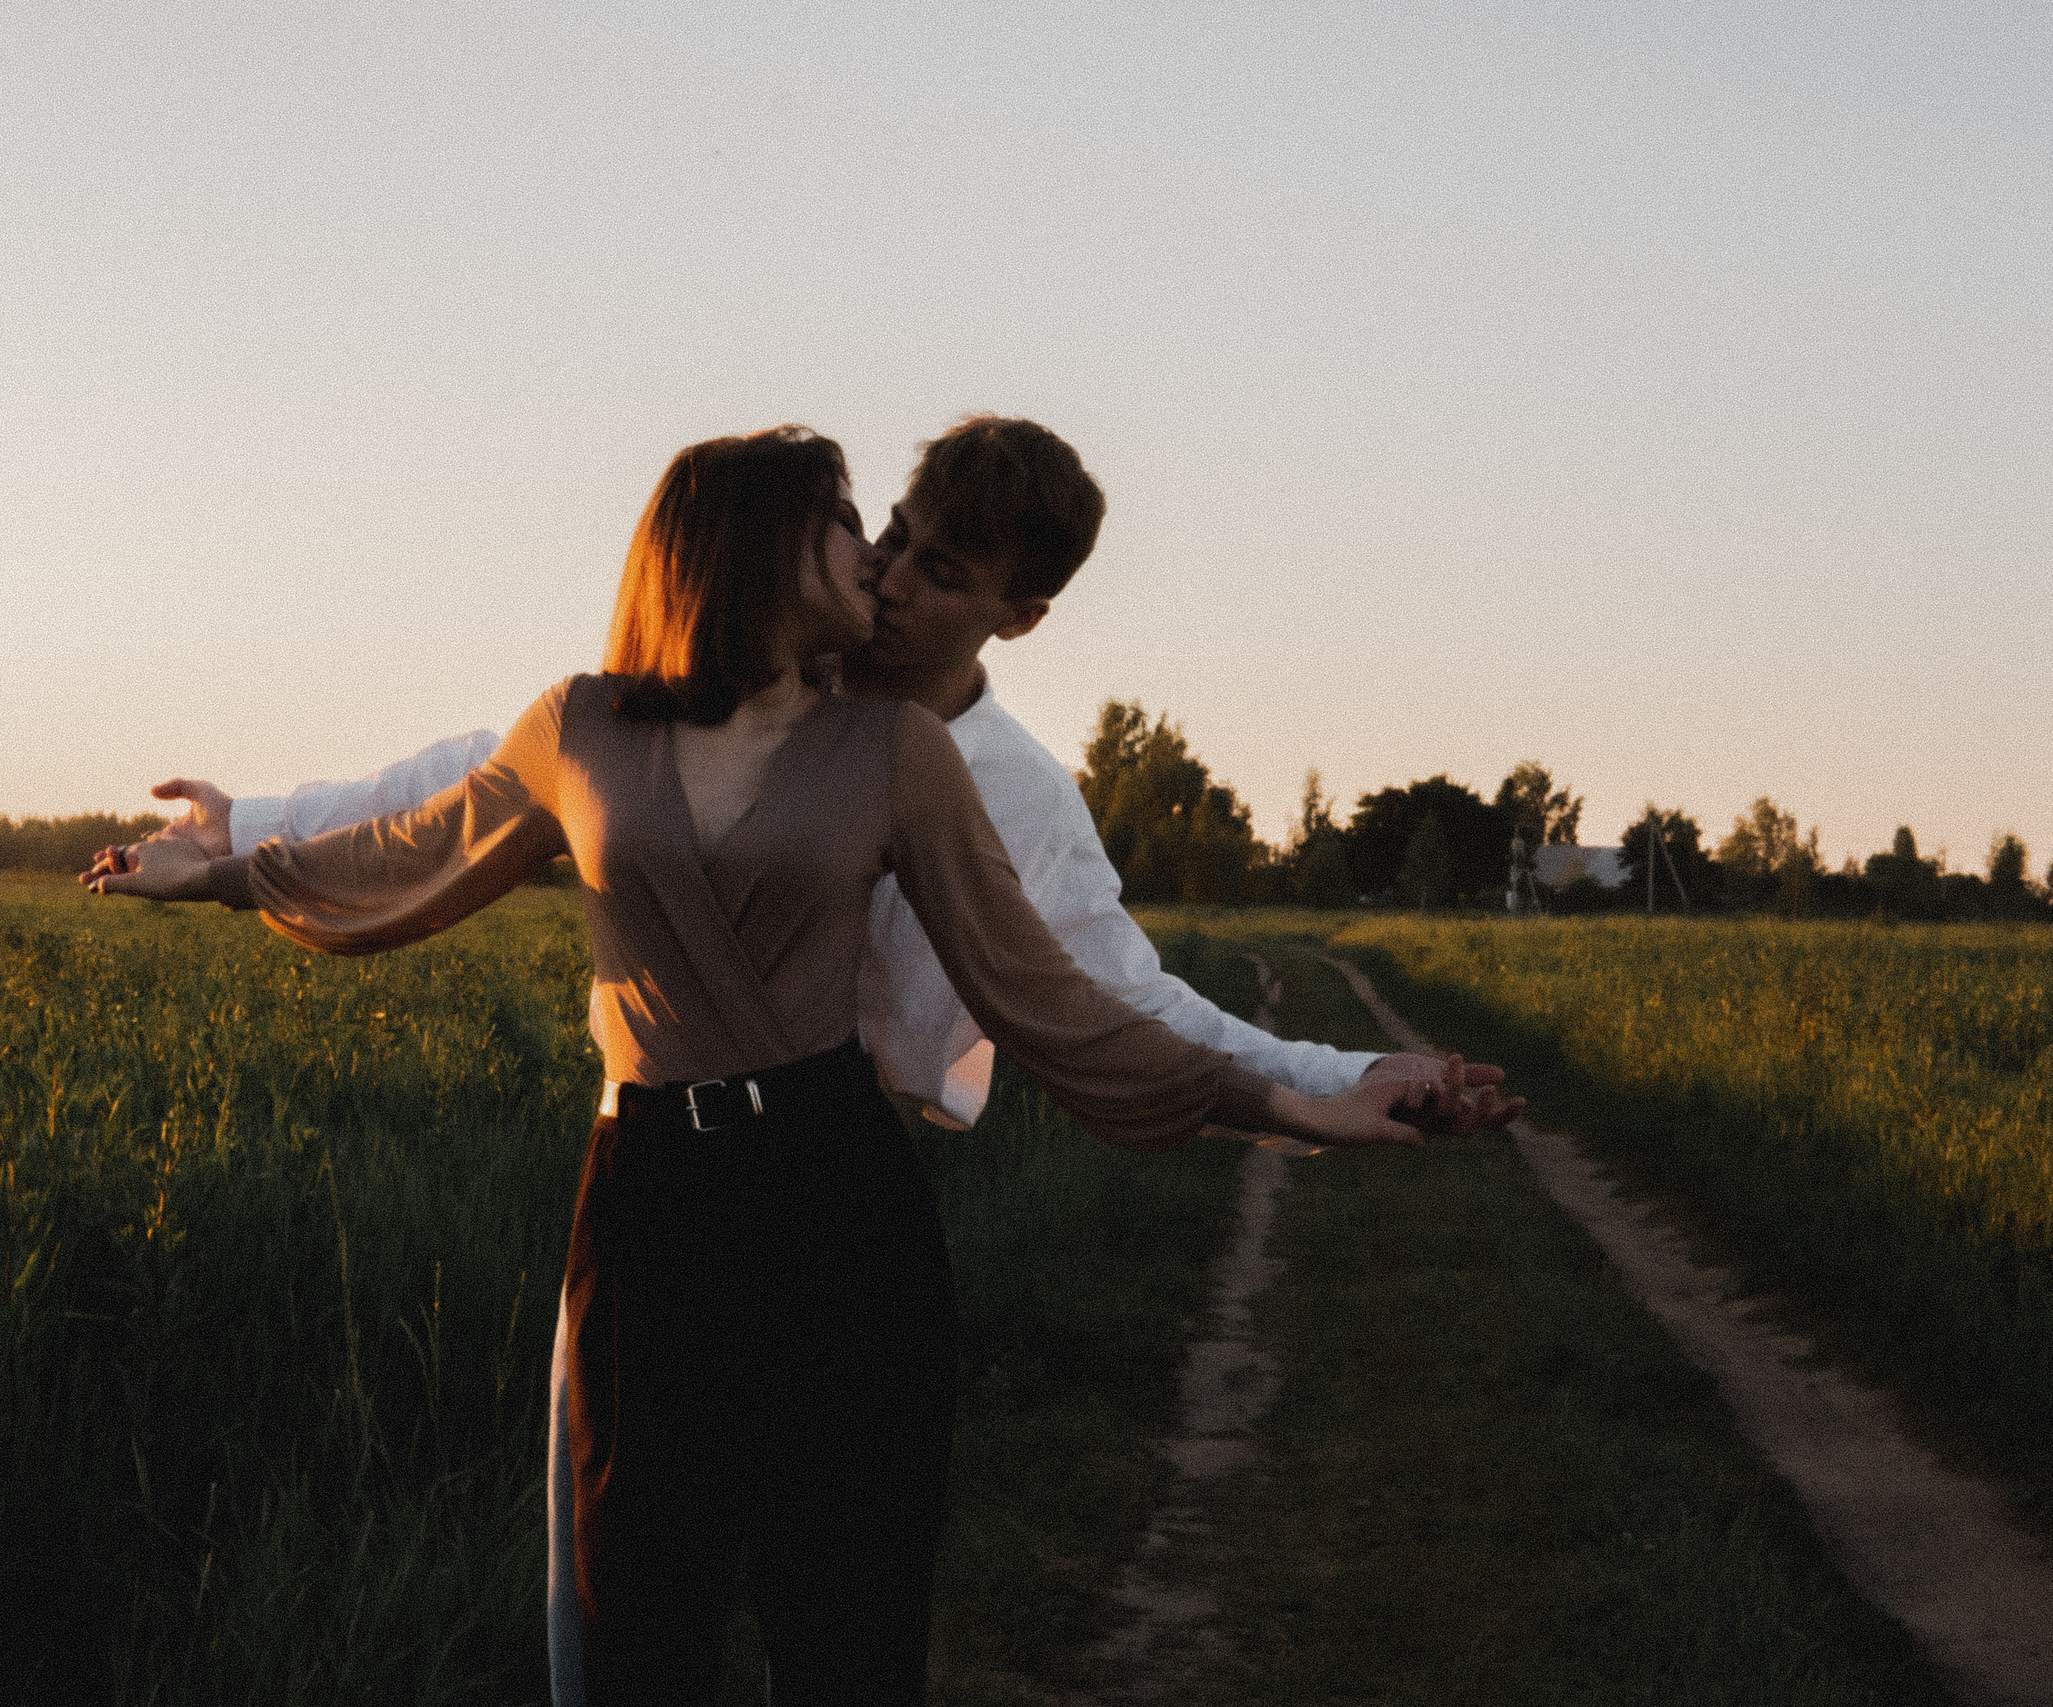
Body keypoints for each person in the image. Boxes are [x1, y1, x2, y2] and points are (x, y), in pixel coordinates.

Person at [83, 426, 1470, 1706]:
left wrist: (1320, 1091)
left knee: (848, 1634)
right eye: (876, 531)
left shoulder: (947, 770)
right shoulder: (603, 721)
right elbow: (443, 815)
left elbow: (1084, 997)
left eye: (930, 560)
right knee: (627, 1618)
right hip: (647, 1193)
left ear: (1016, 611)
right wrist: (239, 848)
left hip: (835, 1189)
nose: (884, 568)